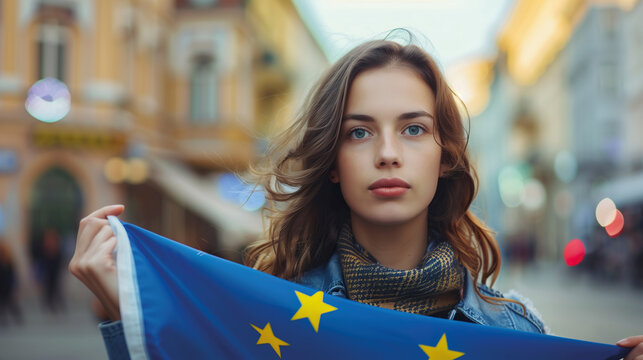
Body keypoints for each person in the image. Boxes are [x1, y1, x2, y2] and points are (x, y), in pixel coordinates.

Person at [69, 38, 643, 359]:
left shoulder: (514, 334)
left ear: (445, 157)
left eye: (414, 129)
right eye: (358, 131)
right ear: (333, 164)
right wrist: (132, 317)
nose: (387, 153)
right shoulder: (266, 317)